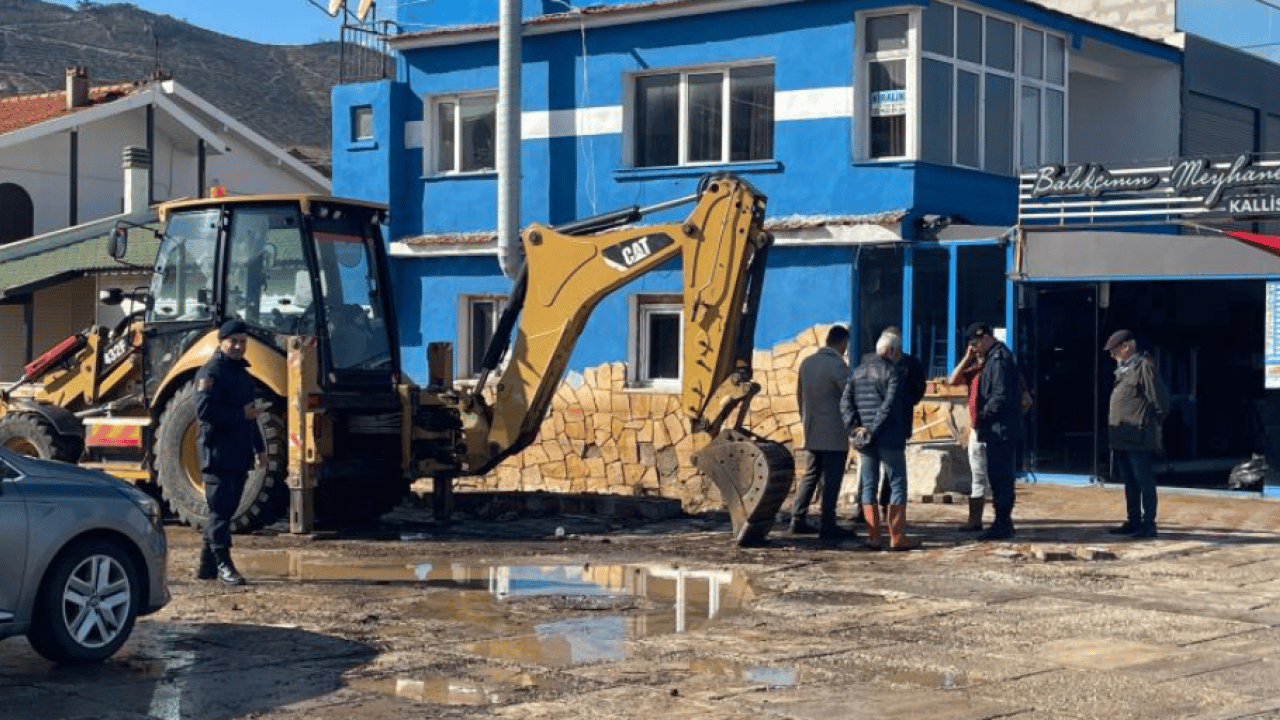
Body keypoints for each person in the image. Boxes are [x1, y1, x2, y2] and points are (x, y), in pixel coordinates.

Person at [194, 318, 266, 585]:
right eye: (233, 341)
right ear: (221, 342)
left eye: (242, 342)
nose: (238, 347)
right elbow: (204, 413)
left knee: (223, 511)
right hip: (217, 454)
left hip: (239, 454)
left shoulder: (243, 374)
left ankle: (205, 567)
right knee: (220, 513)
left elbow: (251, 415)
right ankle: (224, 564)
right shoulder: (210, 372)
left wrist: (258, 448)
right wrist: (240, 414)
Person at [844, 333, 918, 550]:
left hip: (865, 440)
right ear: (891, 351)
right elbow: (890, 404)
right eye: (899, 350)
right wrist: (872, 429)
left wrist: (855, 428)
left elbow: (845, 403)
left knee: (868, 484)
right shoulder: (893, 372)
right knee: (897, 483)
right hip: (889, 438)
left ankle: (874, 537)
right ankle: (897, 538)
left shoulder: (857, 372)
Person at [789, 325, 856, 543]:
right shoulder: (838, 366)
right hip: (834, 435)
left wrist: (806, 420)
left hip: (812, 430)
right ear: (843, 343)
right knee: (832, 480)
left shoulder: (807, 363)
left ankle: (797, 518)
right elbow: (849, 398)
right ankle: (828, 524)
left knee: (810, 475)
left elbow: (800, 397)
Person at [1104, 329, 1170, 539]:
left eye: (1114, 350)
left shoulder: (1144, 366)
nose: (1112, 355)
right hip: (1123, 438)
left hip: (1139, 437)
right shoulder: (1123, 369)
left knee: (1143, 480)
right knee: (1129, 481)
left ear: (1127, 347)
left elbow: (1159, 401)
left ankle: (1148, 524)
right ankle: (1134, 521)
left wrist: (1150, 424)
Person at [965, 322, 1022, 541]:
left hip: (1001, 429)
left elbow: (999, 396)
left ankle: (1002, 524)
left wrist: (982, 416)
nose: (974, 349)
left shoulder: (998, 359)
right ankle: (1002, 522)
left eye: (976, 343)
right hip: (997, 429)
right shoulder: (994, 357)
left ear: (986, 337)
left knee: (1001, 478)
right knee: (997, 478)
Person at [948, 342, 988, 532]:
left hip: (996, 430)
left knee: (997, 477)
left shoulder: (1002, 368)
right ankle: (975, 520)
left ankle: (1002, 520)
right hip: (977, 428)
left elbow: (1025, 399)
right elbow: (953, 380)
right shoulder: (974, 370)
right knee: (978, 476)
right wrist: (967, 358)